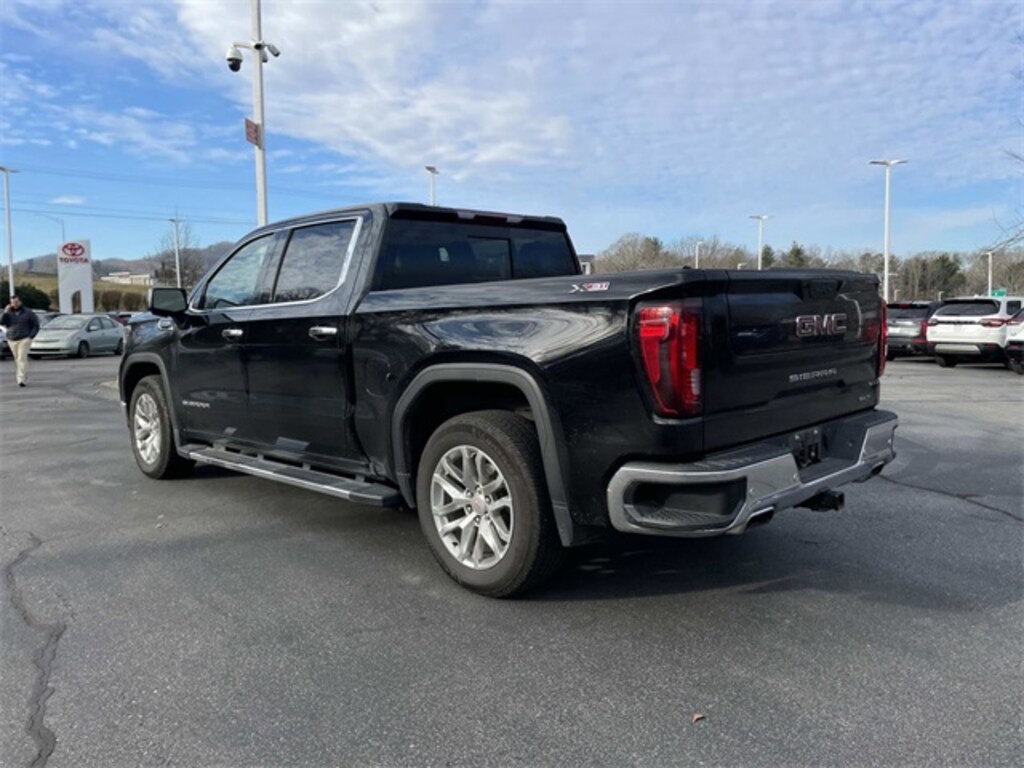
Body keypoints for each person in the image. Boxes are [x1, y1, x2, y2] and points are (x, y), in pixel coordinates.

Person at [0, 295, 40, 387]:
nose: (15, 304)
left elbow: (36, 324)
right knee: (17, 359)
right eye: (13, 302)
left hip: (24, 338)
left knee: (21, 358)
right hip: (12, 338)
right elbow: (2, 322)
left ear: (20, 302)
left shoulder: (28, 312)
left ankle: (21, 379)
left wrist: (31, 336)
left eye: (16, 302)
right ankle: (24, 375)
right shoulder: (8, 313)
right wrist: (5, 312)